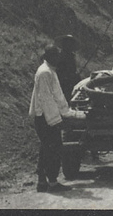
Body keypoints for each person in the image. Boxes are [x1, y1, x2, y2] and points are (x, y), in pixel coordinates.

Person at [29, 44, 80, 193]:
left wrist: (66, 112)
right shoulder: (45, 73)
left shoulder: (50, 71)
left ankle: (42, 182)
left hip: (47, 117)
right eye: (55, 55)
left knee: (46, 149)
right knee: (53, 149)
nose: (58, 58)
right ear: (48, 57)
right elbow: (46, 99)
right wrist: (56, 120)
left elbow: (58, 96)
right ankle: (51, 182)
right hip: (46, 118)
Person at [54, 35, 81, 103]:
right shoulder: (61, 56)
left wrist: (76, 75)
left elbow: (72, 70)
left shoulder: (71, 57)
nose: (69, 45)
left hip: (70, 84)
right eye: (67, 43)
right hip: (62, 84)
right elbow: (59, 71)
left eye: (71, 43)